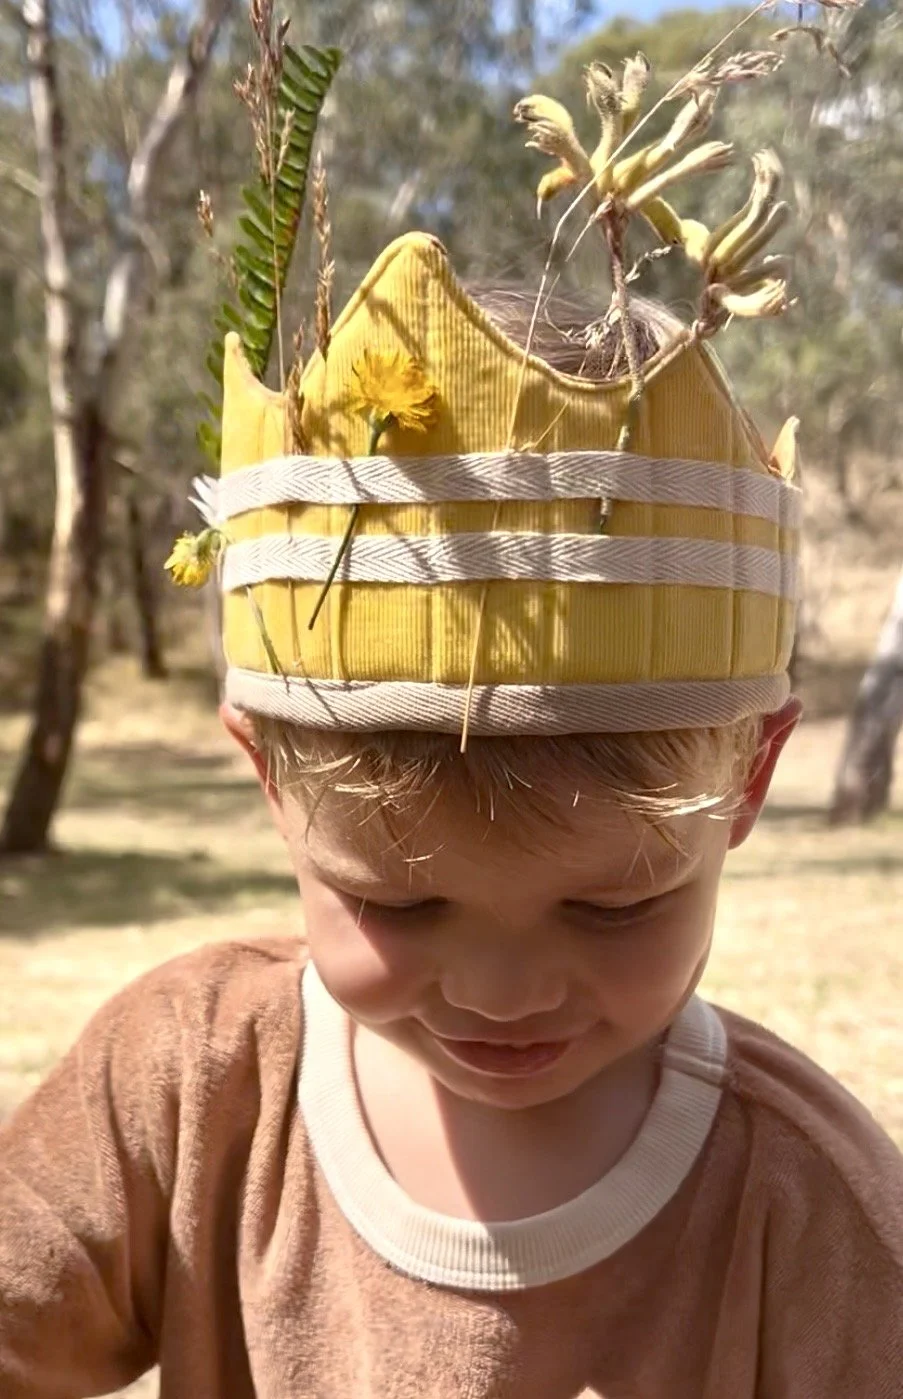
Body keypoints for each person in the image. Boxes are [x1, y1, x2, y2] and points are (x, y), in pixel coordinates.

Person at [2, 70, 902, 1399]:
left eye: (609, 905)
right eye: (396, 898)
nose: (497, 992)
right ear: (269, 778)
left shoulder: (809, 1213)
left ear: (748, 780)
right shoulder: (190, 1090)